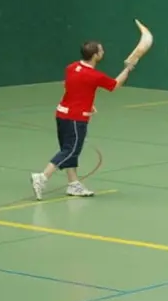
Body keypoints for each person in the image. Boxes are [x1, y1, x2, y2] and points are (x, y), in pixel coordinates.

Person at [30, 41, 134, 200]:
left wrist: (88, 103)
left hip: (61, 114)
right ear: (95, 55)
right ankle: (42, 177)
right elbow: (115, 85)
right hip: (75, 118)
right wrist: (128, 69)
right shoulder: (95, 75)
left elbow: (72, 86)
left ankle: (73, 184)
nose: (103, 52)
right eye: (101, 50)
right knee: (70, 151)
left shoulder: (71, 67)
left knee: (68, 150)